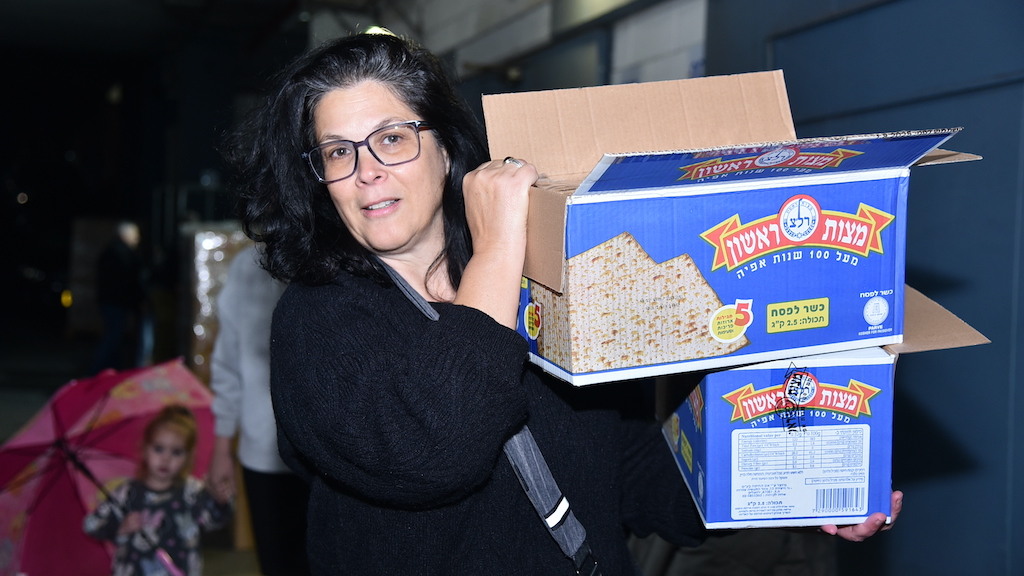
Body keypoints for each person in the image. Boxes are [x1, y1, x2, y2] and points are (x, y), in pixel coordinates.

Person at [225, 31, 901, 575]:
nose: (367, 171)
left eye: (392, 139)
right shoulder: (316, 324)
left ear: (444, 148)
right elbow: (441, 448)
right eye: (337, 153)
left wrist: (791, 488)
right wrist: (498, 248)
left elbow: (627, 466)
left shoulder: (547, 279)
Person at [207, 244, 310, 576]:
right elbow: (227, 363)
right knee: (277, 565)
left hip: (330, 460)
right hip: (264, 455)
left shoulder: (340, 258)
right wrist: (222, 448)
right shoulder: (247, 266)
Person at [83, 405, 233, 576]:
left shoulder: (191, 492)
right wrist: (120, 528)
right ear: (145, 449)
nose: (166, 459)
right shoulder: (127, 493)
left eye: (176, 452)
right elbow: (91, 525)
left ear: (187, 457)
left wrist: (219, 500)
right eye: (159, 449)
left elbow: (214, 520)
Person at [90, 220, 146, 375]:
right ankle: (94, 372)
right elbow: (128, 280)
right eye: (134, 236)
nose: (137, 239)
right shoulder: (121, 253)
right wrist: (137, 300)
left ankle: (113, 371)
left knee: (116, 336)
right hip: (115, 302)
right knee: (113, 337)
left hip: (112, 301)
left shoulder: (114, 251)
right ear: (124, 235)